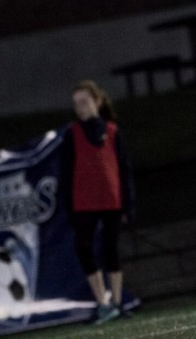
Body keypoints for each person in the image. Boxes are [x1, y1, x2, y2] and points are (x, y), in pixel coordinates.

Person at [60, 80, 136, 324]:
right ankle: (102, 302)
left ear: (97, 101)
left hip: (110, 199)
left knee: (111, 249)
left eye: (85, 101)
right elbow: (66, 172)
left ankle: (116, 302)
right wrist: (68, 206)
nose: (80, 107)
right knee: (84, 247)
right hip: (84, 201)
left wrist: (128, 203)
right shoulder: (72, 134)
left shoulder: (112, 131)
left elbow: (124, 170)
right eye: (76, 104)